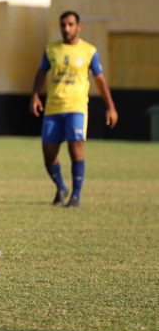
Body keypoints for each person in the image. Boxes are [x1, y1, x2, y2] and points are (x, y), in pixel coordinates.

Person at [30, 11, 118, 208]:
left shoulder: (89, 51)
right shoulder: (51, 49)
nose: (66, 28)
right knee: (49, 153)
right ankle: (61, 187)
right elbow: (41, 72)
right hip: (53, 107)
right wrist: (35, 95)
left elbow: (100, 79)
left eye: (70, 24)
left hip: (77, 107)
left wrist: (110, 107)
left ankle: (76, 195)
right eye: (63, 25)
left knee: (75, 147)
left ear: (79, 26)